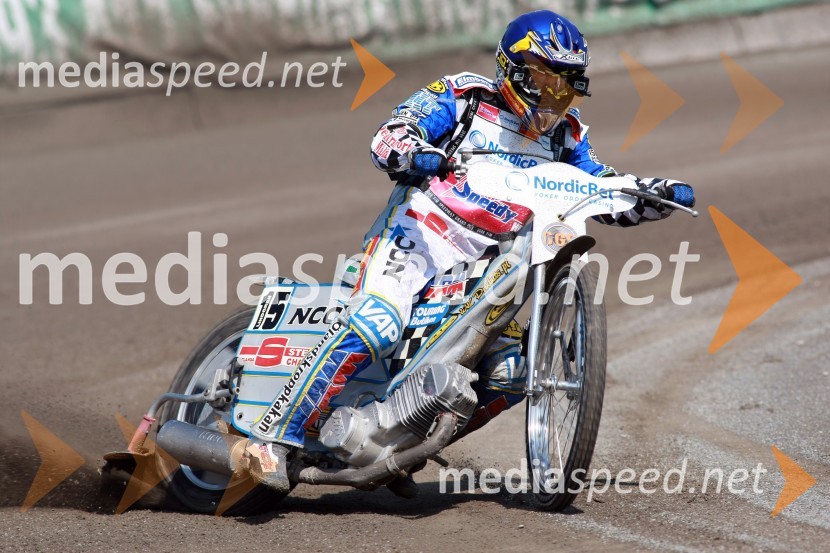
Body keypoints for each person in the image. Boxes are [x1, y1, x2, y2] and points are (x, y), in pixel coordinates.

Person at [243, 10, 695, 494]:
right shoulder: (463, 97)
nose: (553, 97)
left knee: (510, 373)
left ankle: (403, 444)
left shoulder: (566, 136)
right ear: (514, 70)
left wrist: (649, 193)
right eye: (545, 79)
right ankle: (272, 436)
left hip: (485, 262)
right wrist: (413, 152)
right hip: (418, 238)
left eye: (565, 86)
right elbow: (389, 134)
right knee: (378, 323)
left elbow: (597, 187)